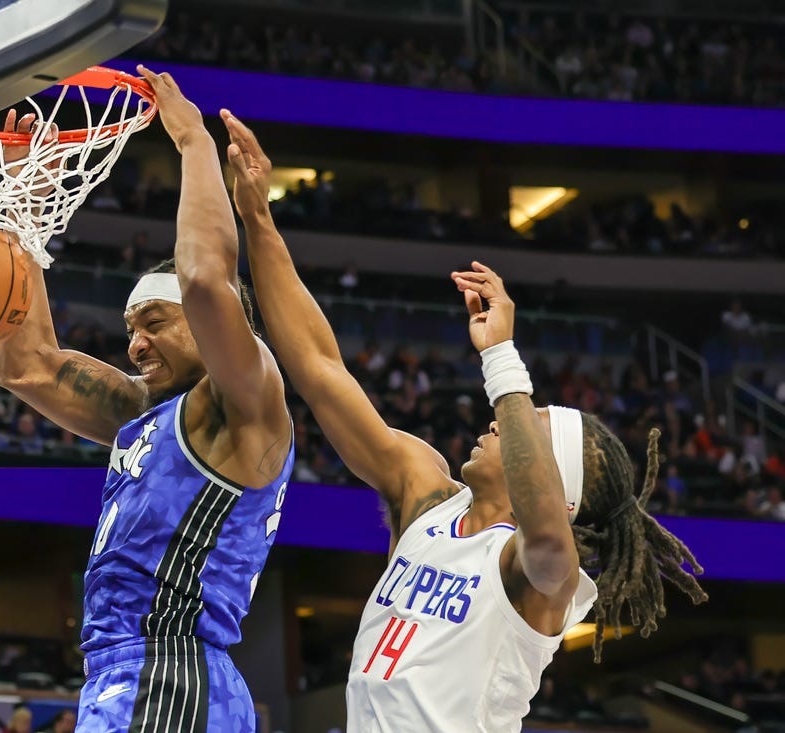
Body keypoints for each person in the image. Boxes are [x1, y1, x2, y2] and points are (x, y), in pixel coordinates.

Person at [221, 110, 708, 732]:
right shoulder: (425, 494)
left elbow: (548, 540)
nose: (501, 421)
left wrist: (502, 360)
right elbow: (320, 370)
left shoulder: (540, 575)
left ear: (553, 493)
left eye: (526, 426)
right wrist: (258, 216)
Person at [0, 66, 292, 732]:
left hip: (171, 669)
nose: (135, 345)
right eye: (131, 329)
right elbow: (27, 367)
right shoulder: (147, 416)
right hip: (129, 672)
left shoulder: (246, 397)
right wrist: (25, 211)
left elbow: (208, 280)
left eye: (154, 323)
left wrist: (193, 146)